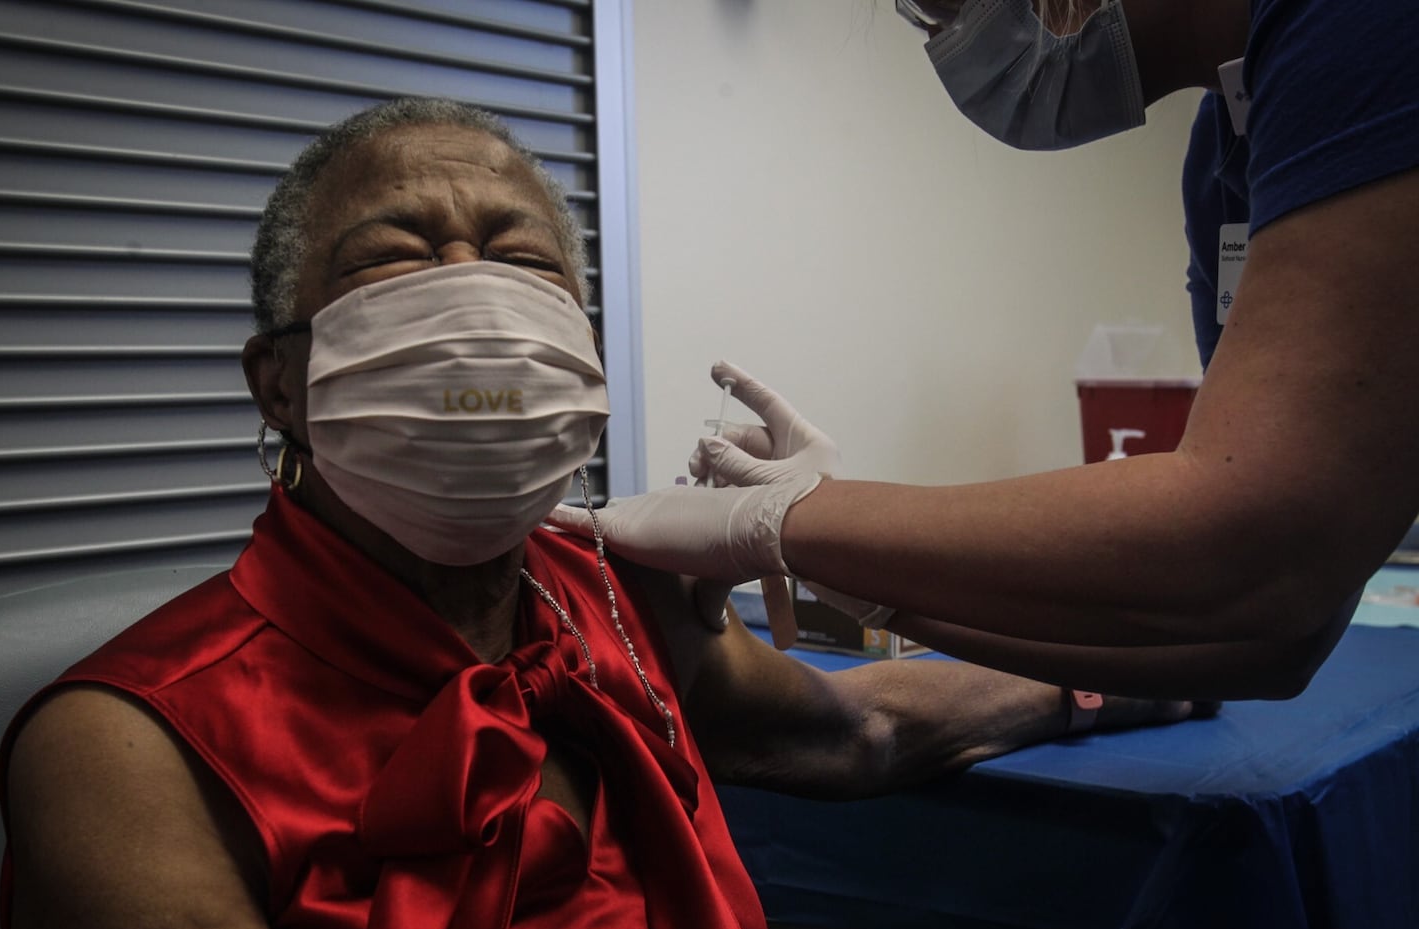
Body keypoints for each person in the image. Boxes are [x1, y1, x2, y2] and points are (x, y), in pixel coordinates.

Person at [0, 97, 1196, 929]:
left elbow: (851, 729)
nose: (470, 297)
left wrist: (1107, 685)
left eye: (521, 263)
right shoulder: (131, 750)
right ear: (279, 385)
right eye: (395, 261)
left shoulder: (600, 587)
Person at [553, 0, 1419, 702]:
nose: (963, 40)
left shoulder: (1366, 27)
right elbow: (1271, 640)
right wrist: (854, 570)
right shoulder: (1225, 154)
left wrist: (803, 523)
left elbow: (1260, 550)